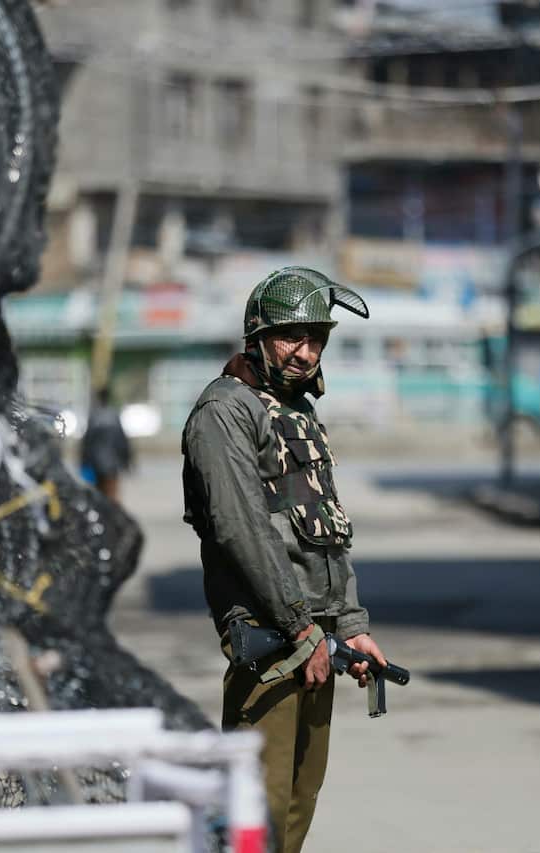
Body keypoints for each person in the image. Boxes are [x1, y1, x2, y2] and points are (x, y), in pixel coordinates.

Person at [181, 266, 387, 853]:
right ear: (258, 336)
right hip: (272, 641)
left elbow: (327, 529)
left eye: (316, 338)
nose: (305, 352)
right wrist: (299, 626)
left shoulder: (297, 412)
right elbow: (241, 528)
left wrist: (350, 624)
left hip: (315, 641)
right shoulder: (225, 411)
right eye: (291, 336)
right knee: (256, 816)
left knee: (296, 811)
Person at [80, 386, 132, 503]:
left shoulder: (94, 415)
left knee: (98, 494)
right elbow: (122, 440)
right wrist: (127, 460)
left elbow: (87, 442)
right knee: (112, 493)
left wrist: (83, 462)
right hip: (112, 463)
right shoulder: (114, 415)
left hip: (96, 463)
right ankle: (113, 516)